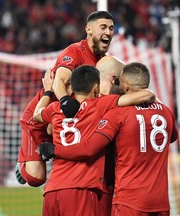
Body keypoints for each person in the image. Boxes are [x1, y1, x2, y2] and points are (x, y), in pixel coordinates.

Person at [39, 62, 178, 216]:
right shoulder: (166, 112)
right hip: (161, 203)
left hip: (129, 201)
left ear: (124, 86)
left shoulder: (118, 114)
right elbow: (172, 137)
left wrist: (54, 149)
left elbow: (89, 148)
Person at [15, 10, 115, 187]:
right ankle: (23, 166)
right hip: (40, 116)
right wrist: (66, 103)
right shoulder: (75, 51)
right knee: (35, 179)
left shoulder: (105, 62)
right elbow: (58, 82)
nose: (108, 32)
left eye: (111, 28)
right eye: (103, 27)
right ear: (89, 29)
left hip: (63, 121)